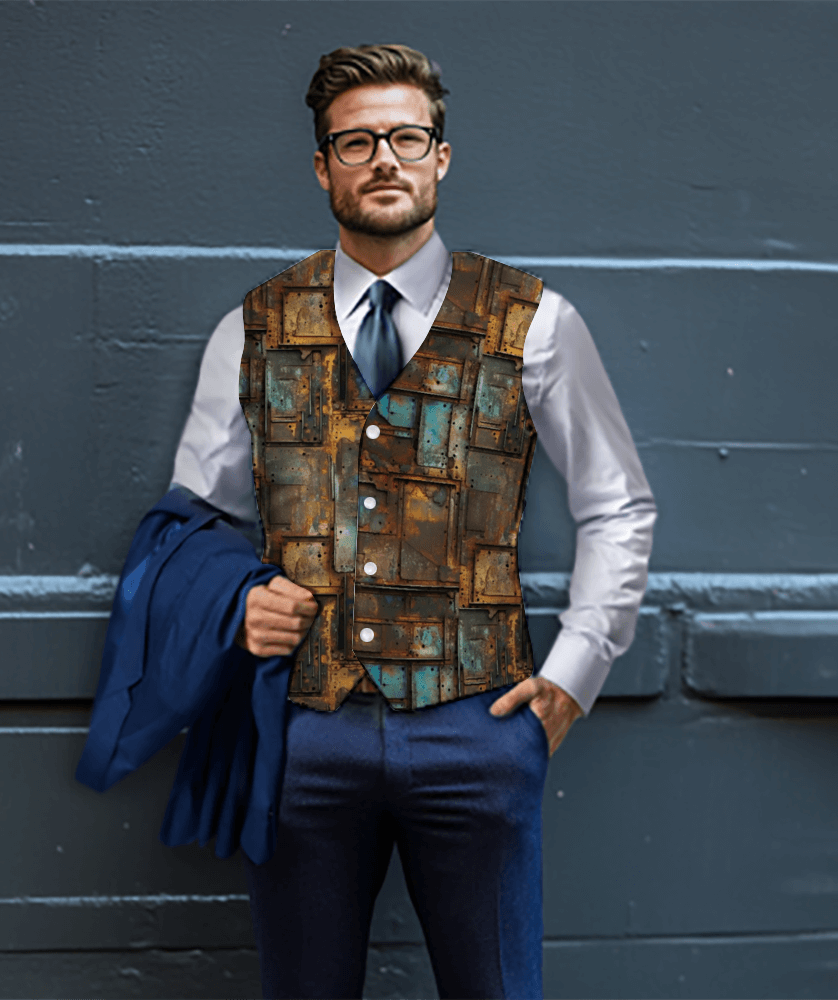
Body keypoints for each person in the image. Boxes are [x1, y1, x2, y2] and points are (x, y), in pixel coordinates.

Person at [170, 43, 657, 1000]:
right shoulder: (254, 326)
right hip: (301, 728)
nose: (383, 158)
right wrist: (236, 601)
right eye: (356, 143)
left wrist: (573, 675)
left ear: (441, 156)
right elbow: (195, 517)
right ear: (323, 167)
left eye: (405, 137)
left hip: (478, 725)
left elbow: (617, 502)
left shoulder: (537, 320)